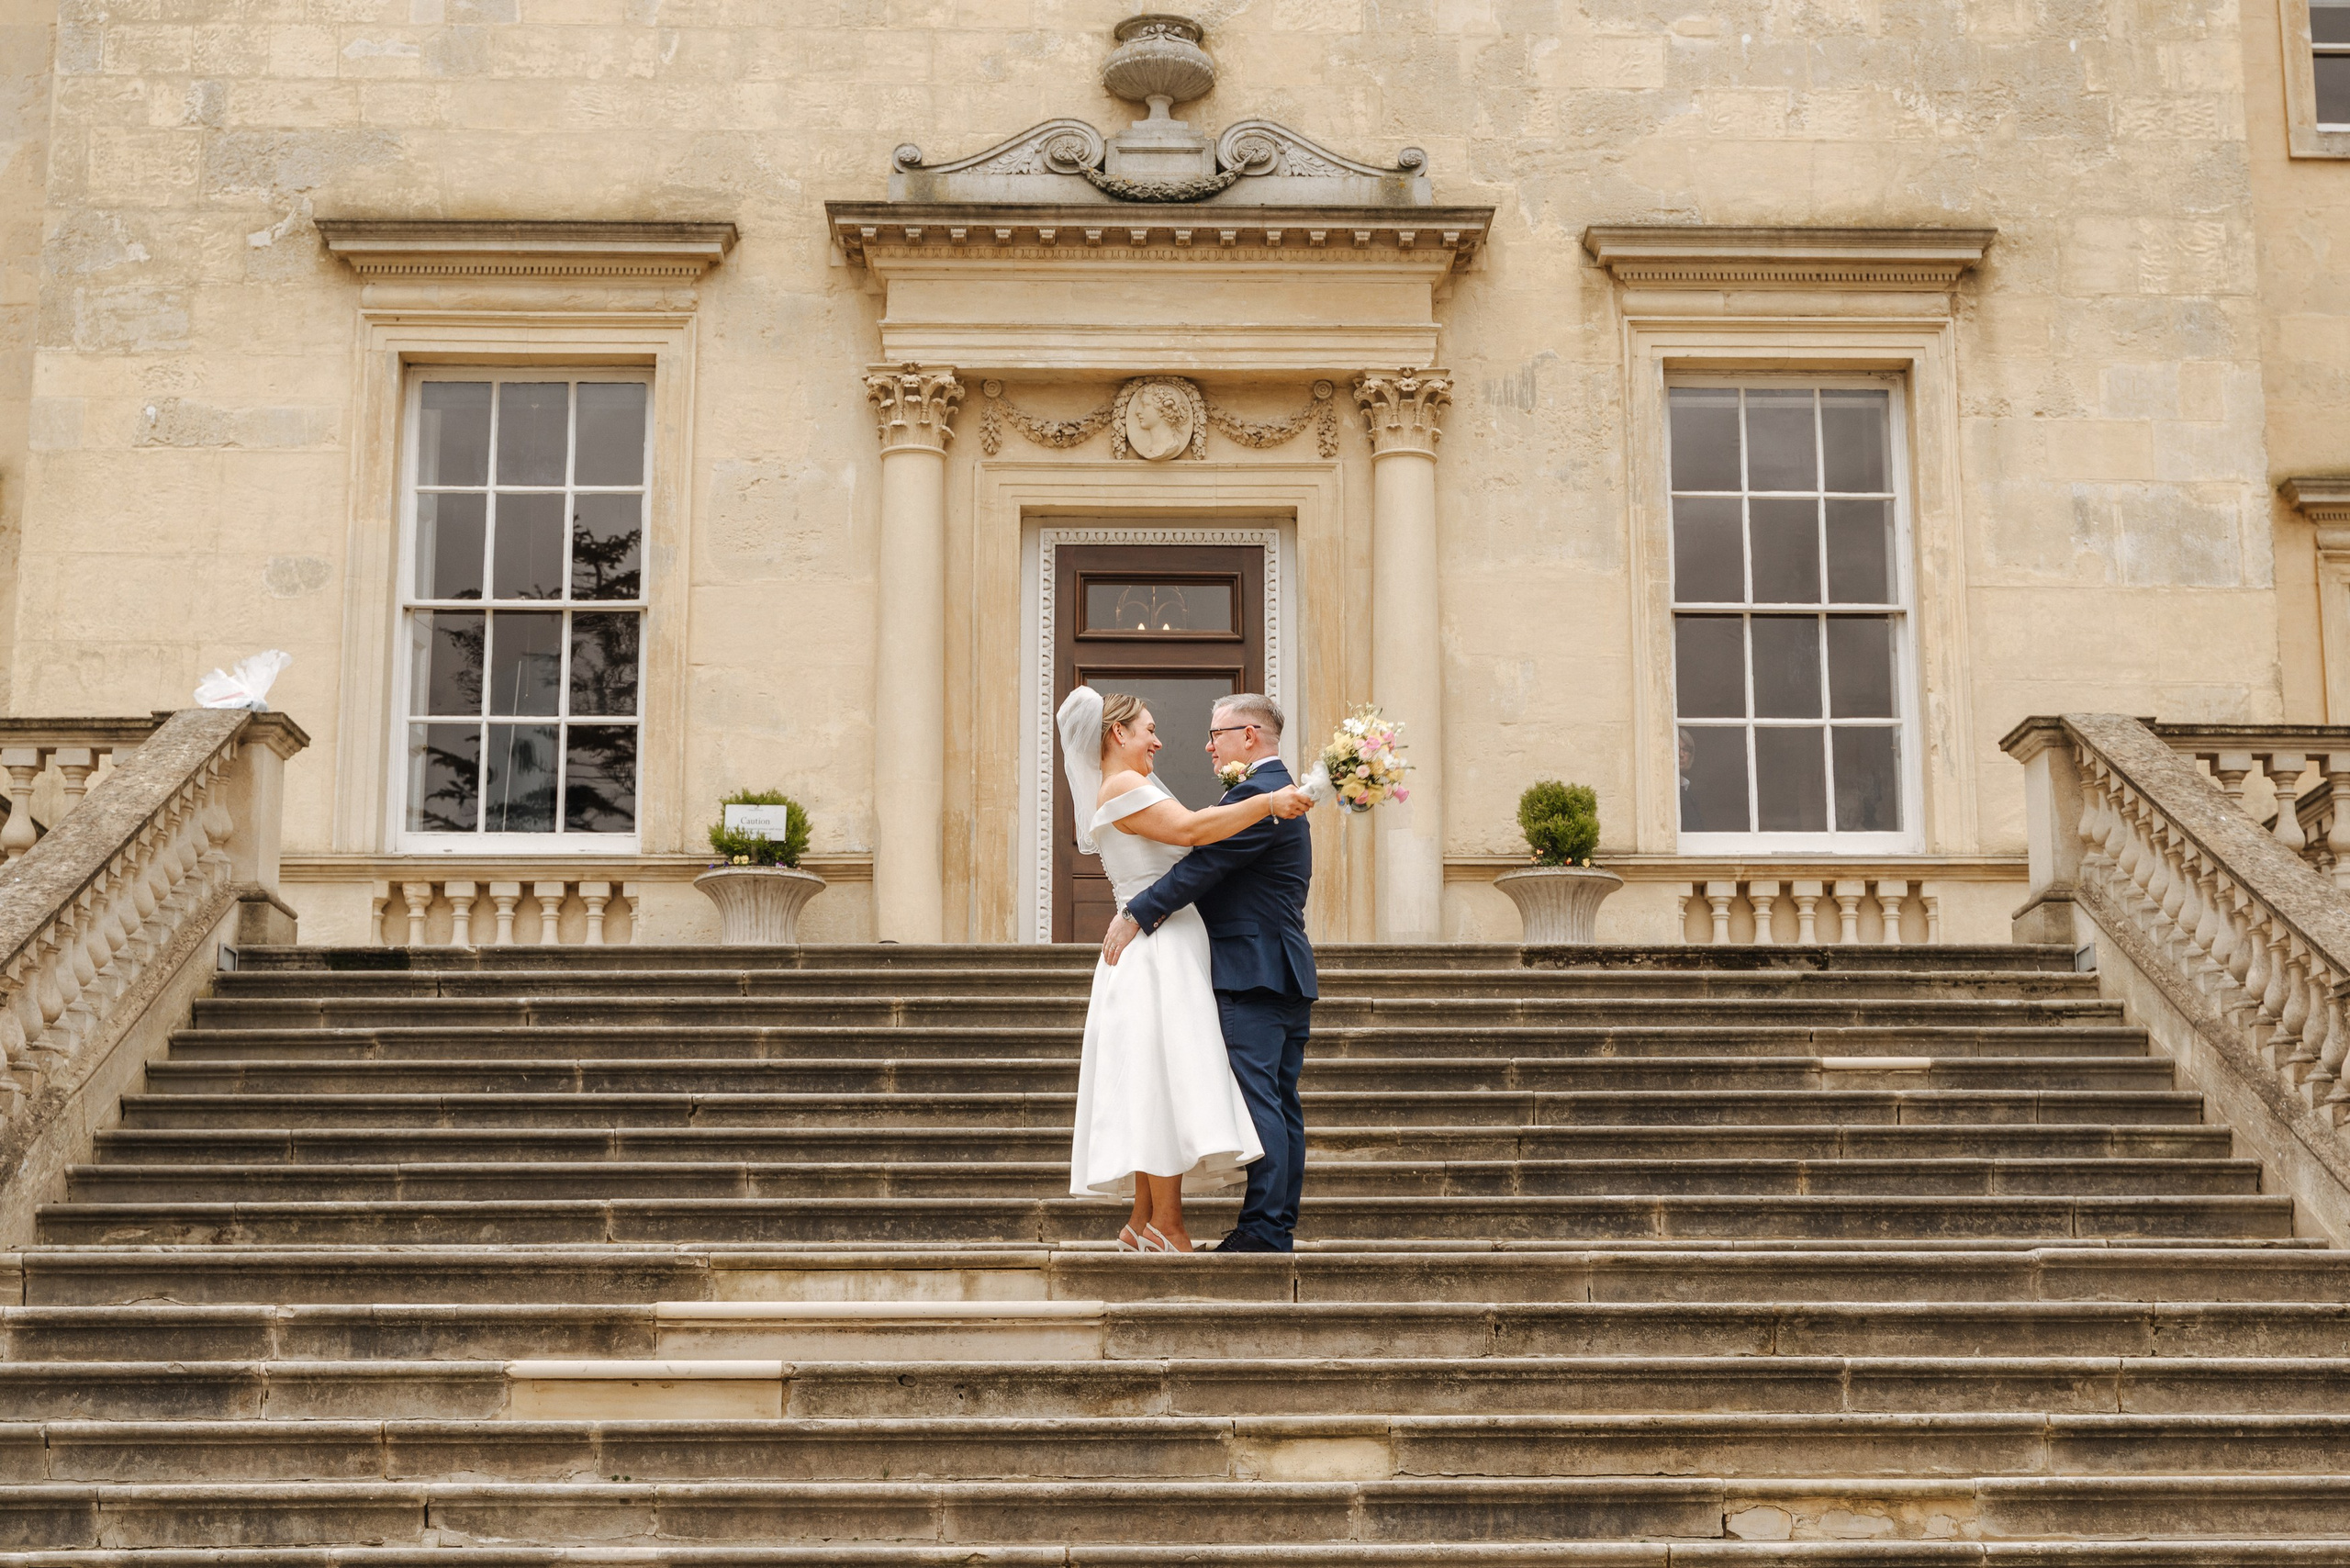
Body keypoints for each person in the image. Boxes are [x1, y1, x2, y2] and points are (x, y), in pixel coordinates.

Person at [1058, 687, 1316, 1252]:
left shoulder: (1134, 784)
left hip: (1181, 945)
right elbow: (1193, 834)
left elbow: (1199, 848)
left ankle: (1148, 1221)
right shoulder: (1125, 784)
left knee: (1162, 1078)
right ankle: (1168, 1224)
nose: (1160, 739)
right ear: (1116, 734)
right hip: (1161, 949)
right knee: (1163, 1081)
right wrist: (1271, 803)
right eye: (1148, 728)